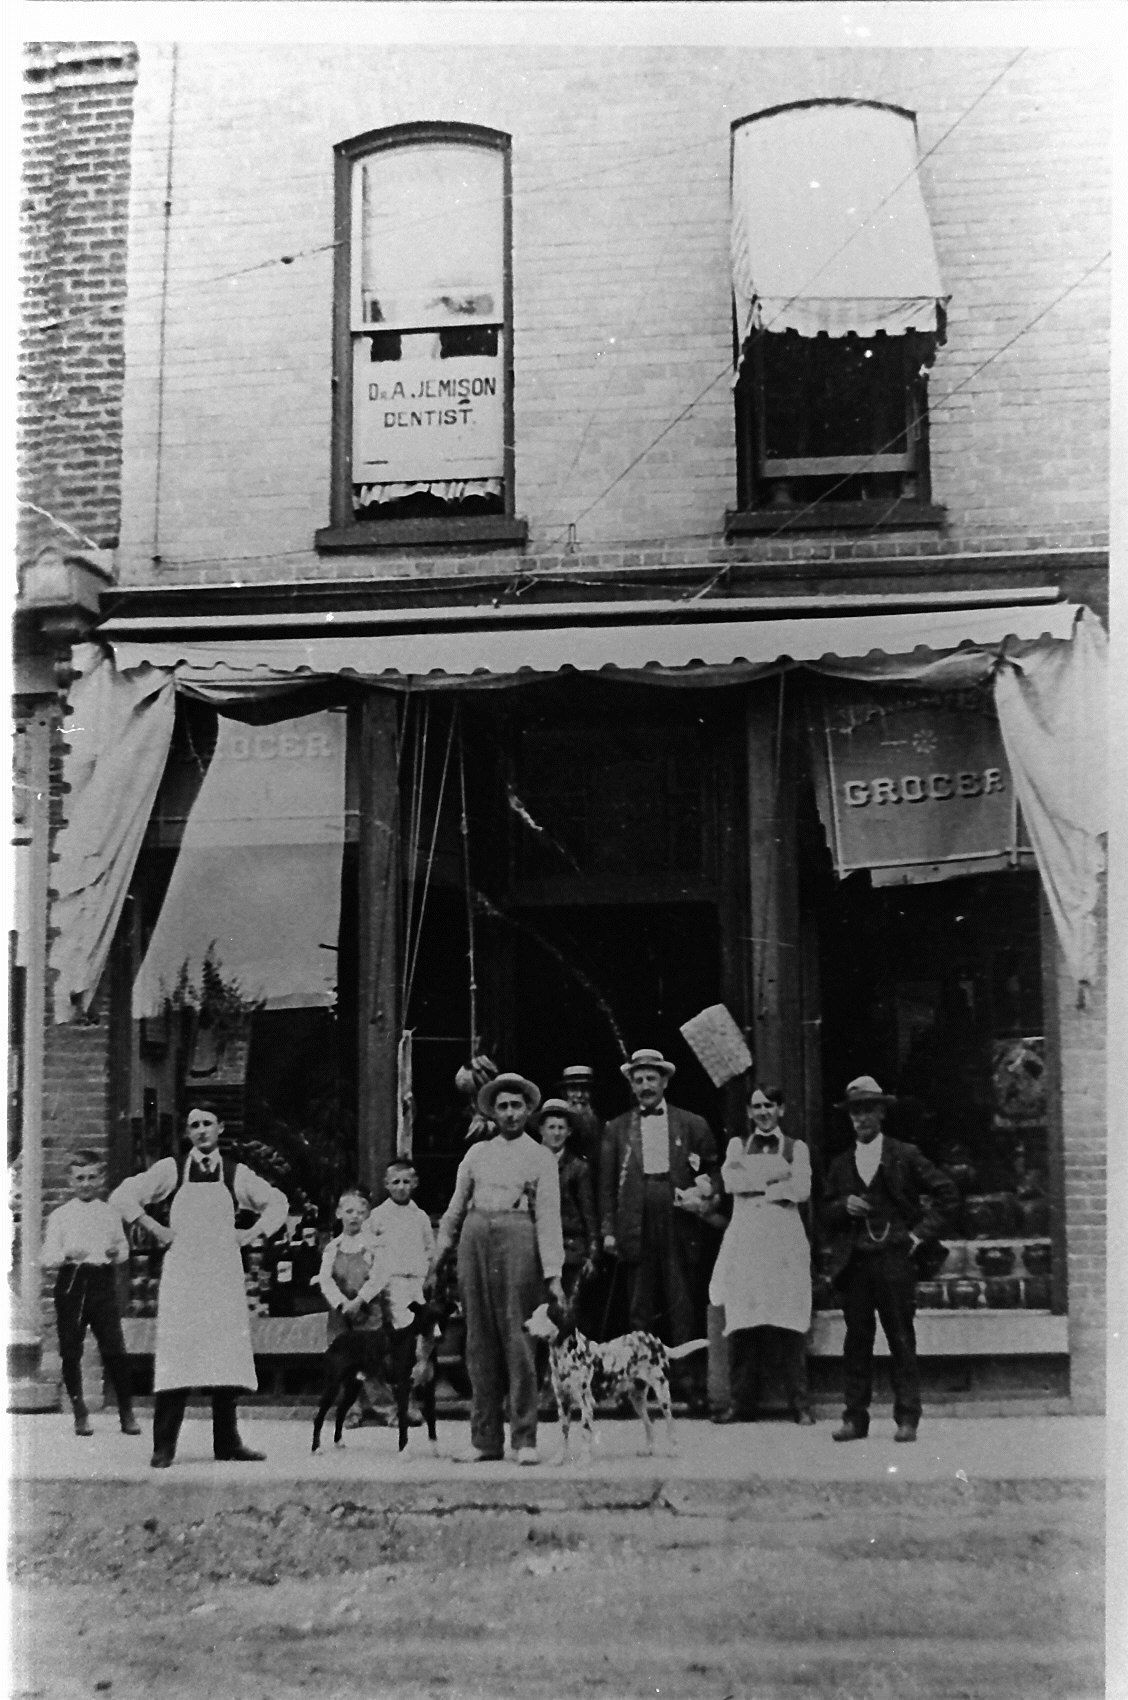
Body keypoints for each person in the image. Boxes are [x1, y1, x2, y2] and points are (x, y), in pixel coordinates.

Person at [110, 1101, 288, 1468]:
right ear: (188, 1132)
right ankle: (163, 1446)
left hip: (222, 1276)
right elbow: (123, 1196)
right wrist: (154, 1226)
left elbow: (277, 1202)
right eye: (194, 1125)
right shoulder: (171, 1170)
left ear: (220, 1128)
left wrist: (252, 1233)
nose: (201, 1130)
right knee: (177, 1355)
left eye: (207, 1123)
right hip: (184, 1278)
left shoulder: (235, 1173)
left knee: (225, 1356)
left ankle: (227, 1442)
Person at [430, 1072, 565, 1465]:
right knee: (478, 1340)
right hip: (475, 1238)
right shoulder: (477, 1154)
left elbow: (548, 1217)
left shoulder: (540, 1156)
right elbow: (455, 1208)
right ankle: (484, 1438)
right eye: (503, 1106)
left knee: (519, 1337)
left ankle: (524, 1437)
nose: (510, 1113)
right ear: (492, 1112)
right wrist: (437, 1258)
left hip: (518, 1236)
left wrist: (553, 1275)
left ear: (528, 1110)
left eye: (517, 1106)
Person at [820, 1075, 958, 1444]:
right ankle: (854, 1419)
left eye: (868, 1110)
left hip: (895, 1260)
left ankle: (907, 1418)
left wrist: (918, 1235)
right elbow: (824, 1213)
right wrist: (843, 1206)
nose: (861, 1118)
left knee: (900, 1339)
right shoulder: (840, 1164)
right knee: (856, 1342)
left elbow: (947, 1192)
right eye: (855, 1112)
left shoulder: (904, 1155)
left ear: (882, 1113)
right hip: (856, 1263)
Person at [599, 1048, 719, 1356]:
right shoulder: (617, 1128)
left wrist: (703, 1190)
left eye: (651, 1078)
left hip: (677, 1213)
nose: (645, 1086)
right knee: (639, 1300)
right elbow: (607, 1185)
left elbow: (713, 1170)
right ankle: (642, 1370)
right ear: (631, 1085)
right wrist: (609, 1230)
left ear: (665, 1081)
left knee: (681, 1296)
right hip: (635, 1215)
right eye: (638, 1080)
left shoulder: (692, 1124)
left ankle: (685, 1374)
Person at [709, 1085, 815, 1425]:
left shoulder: (796, 1147)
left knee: (789, 1319)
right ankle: (742, 1403)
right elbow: (731, 1182)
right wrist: (778, 1180)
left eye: (769, 1105)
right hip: (747, 1240)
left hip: (783, 1242)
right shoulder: (737, 1145)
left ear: (781, 1109)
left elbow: (802, 1189)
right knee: (744, 1320)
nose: (763, 1112)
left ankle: (799, 1404)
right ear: (749, 1112)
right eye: (757, 1106)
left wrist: (757, 1182)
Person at [41, 1149, 139, 1437]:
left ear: (101, 1179)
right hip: (72, 1282)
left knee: (114, 1349)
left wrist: (116, 1253)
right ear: (70, 1181)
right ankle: (80, 1412)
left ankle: (126, 1412)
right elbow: (47, 1256)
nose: (86, 1183)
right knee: (71, 1350)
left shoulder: (110, 1214)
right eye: (80, 1178)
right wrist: (65, 1254)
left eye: (92, 1177)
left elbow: (123, 1248)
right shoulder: (60, 1216)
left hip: (101, 1281)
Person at [535, 1099, 600, 1310]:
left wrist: (592, 1254)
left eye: (561, 1128)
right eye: (551, 1127)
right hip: (535, 1248)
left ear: (569, 1132)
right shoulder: (529, 1162)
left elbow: (589, 1213)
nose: (556, 1133)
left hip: (570, 1250)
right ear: (541, 1129)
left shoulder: (578, 1168)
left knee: (567, 1310)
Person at [366, 1159, 436, 1328]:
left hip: (418, 1282)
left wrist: (430, 1275)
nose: (401, 1187)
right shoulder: (377, 1216)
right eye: (396, 1182)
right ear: (386, 1184)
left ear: (415, 1183)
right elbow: (368, 1250)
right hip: (393, 1283)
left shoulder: (421, 1216)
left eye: (406, 1182)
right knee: (402, 1328)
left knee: (424, 1326)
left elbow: (430, 1249)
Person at [555, 1064, 604, 1174]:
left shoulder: (606, 1129)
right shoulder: (555, 1129)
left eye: (585, 1089)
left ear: (592, 1093)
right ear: (565, 1093)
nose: (579, 1095)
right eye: (573, 1089)